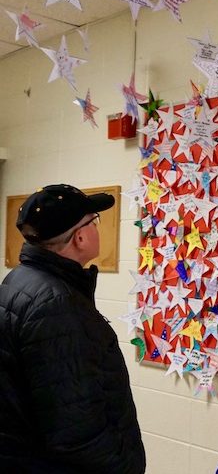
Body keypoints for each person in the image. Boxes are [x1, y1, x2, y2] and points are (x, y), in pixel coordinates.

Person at [0, 184, 145, 473]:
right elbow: (76, 429)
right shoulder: (56, 306)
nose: (96, 228)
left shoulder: (20, 281)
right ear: (79, 237)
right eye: (94, 221)